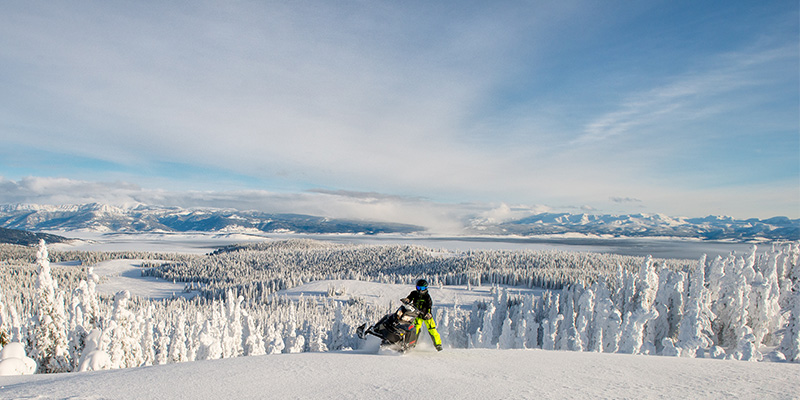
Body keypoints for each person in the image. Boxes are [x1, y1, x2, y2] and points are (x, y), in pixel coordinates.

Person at [401, 279, 443, 351]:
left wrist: (428, 313)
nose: (420, 290)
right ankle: (411, 345)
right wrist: (407, 300)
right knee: (415, 329)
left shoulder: (427, 297)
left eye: (422, 288)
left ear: (426, 288)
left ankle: (438, 345)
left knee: (432, 329)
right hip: (417, 315)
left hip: (426, 315)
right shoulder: (414, 293)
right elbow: (409, 298)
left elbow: (429, 306)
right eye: (419, 288)